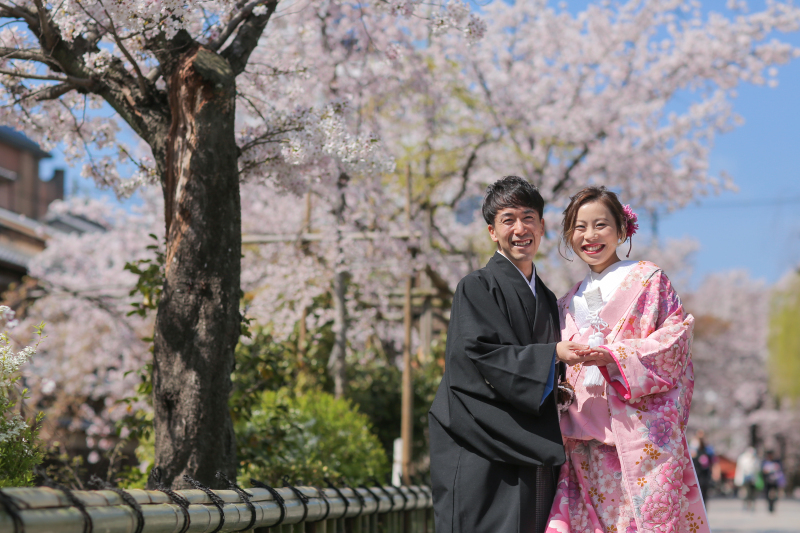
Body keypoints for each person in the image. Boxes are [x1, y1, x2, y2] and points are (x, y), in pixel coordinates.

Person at [429, 176, 592, 533]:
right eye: (508, 220)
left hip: (530, 440)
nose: (520, 229)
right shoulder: (476, 287)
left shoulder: (548, 299)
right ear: (492, 231)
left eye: (528, 217)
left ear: (543, 226)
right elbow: (481, 354)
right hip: (480, 441)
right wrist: (552, 355)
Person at [545, 186, 710, 533]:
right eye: (579, 226)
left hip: (634, 443)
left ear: (622, 228)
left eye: (601, 224)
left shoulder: (649, 280)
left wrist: (614, 356)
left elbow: (674, 343)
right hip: (578, 444)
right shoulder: (566, 300)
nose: (590, 236)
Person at [692, 431, 715, 505]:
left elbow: (713, 461)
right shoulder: (693, 448)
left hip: (705, 475)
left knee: (704, 494)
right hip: (695, 474)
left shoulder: (708, 449)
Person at [734, 446, 759, 511]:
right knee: (745, 493)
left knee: (752, 493)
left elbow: (757, 469)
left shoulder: (755, 459)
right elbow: (740, 469)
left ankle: (752, 505)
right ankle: (745, 505)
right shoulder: (743, 458)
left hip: (753, 479)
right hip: (745, 479)